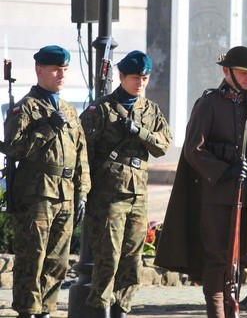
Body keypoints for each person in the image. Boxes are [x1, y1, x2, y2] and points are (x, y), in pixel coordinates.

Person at [154, 46, 247, 318]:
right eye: (242, 73)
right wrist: (224, 169)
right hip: (216, 195)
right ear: (226, 72)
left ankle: (232, 307)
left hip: (246, 195)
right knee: (217, 259)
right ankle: (217, 312)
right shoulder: (209, 104)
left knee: (237, 260)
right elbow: (194, 149)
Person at [80, 50, 173, 318]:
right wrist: (83, 192)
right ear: (121, 76)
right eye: (135, 77)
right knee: (107, 258)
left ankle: (122, 309)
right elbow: (82, 151)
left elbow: (163, 145)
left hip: (138, 197)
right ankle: (100, 309)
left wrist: (139, 131)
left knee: (132, 261)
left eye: (145, 78)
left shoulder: (150, 109)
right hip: (108, 197)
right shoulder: (102, 109)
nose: (141, 83)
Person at [4, 45, 90, 318]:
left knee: (57, 261)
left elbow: (81, 155)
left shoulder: (68, 109)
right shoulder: (25, 108)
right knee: (33, 257)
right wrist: (48, 127)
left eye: (64, 69)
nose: (61, 75)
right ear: (39, 70)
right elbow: (14, 149)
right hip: (37, 194)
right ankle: (28, 311)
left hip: (65, 194)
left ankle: (47, 310)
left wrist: (83, 193)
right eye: (55, 69)